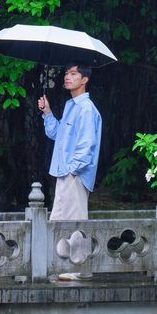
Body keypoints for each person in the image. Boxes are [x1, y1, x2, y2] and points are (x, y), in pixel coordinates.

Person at [38, 63, 102, 281]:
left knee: (75, 220)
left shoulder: (86, 108)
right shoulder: (70, 106)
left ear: (84, 80)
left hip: (74, 173)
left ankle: (79, 269)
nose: (68, 77)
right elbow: (58, 135)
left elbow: (87, 145)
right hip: (64, 172)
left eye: (73, 74)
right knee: (59, 219)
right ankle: (62, 266)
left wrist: (73, 170)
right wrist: (47, 112)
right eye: (66, 73)